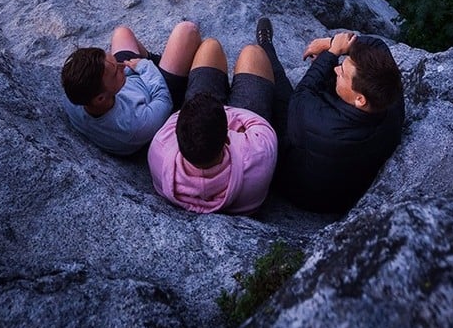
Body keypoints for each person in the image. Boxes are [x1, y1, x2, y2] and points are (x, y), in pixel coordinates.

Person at [255, 17, 404, 214]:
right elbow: (377, 44)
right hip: (341, 184)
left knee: (272, 89)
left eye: (342, 71)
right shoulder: (389, 98)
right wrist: (330, 43)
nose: (336, 68)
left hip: (302, 192)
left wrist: (332, 53)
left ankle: (265, 47)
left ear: (360, 99)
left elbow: (301, 96)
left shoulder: (324, 125)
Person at [147, 37, 278, 214]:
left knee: (210, 46)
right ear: (227, 138)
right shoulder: (259, 156)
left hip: (218, 126)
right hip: (243, 122)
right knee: (252, 53)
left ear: (178, 136)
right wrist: (227, 114)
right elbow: (259, 123)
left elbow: (178, 116)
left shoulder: (159, 151)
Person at [61, 21, 201, 155]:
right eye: (116, 72)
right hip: (157, 90)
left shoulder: (75, 96)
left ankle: (163, 61)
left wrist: (121, 70)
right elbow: (164, 100)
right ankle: (174, 66)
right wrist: (144, 67)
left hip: (134, 80)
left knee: (122, 32)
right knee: (187, 31)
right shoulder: (134, 127)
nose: (122, 66)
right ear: (100, 98)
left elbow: (117, 71)